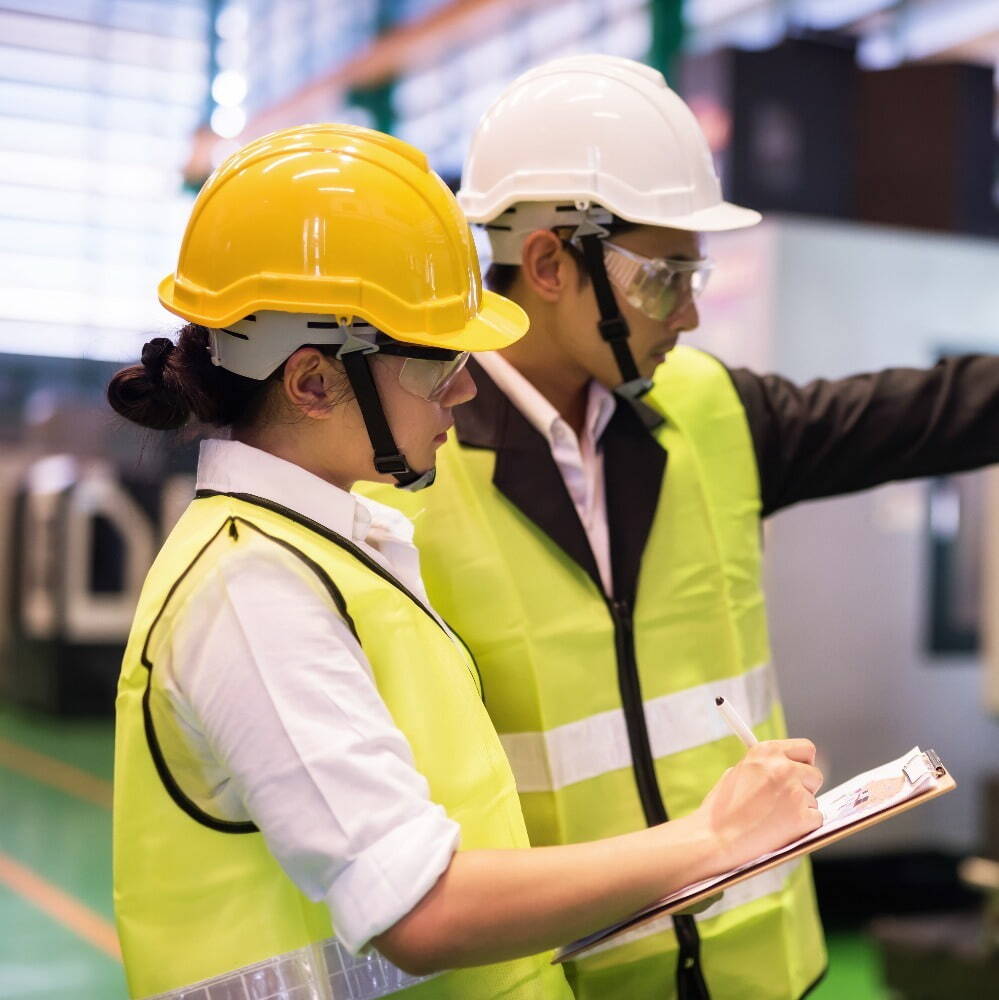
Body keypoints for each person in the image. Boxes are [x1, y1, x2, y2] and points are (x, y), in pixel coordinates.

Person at [108, 124, 824, 1000]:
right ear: (311, 382)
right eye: (440, 361)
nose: (467, 387)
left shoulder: (329, 552)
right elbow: (421, 911)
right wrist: (713, 840)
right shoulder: (250, 593)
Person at [359, 56, 999, 1000]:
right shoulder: (401, 481)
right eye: (664, 279)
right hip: (569, 984)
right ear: (545, 263)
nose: (691, 314)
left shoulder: (708, 412)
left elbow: (930, 409)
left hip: (757, 971)